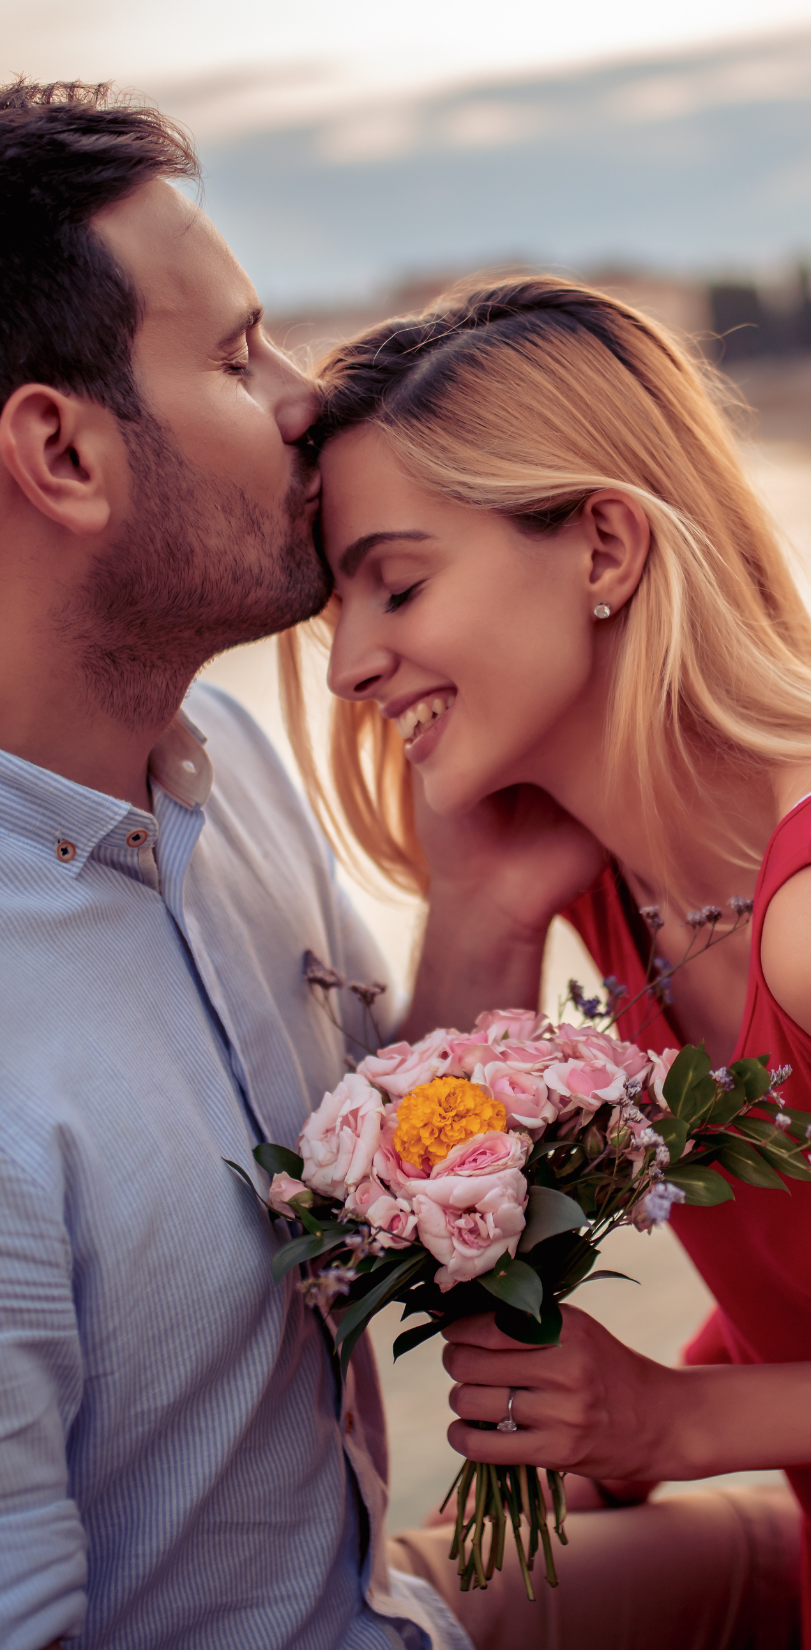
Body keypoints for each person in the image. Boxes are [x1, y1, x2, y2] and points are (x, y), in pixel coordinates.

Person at [0, 80, 505, 1650]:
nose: (310, 402)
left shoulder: (217, 761)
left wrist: (491, 892)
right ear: (61, 452)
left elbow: (394, 1204)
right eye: (235, 358)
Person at [281, 274, 811, 1648]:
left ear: (604, 549)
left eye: (395, 584)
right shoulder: (620, 901)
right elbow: (406, 1235)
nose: (347, 666)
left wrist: (676, 1418)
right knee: (405, 1604)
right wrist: (485, 910)